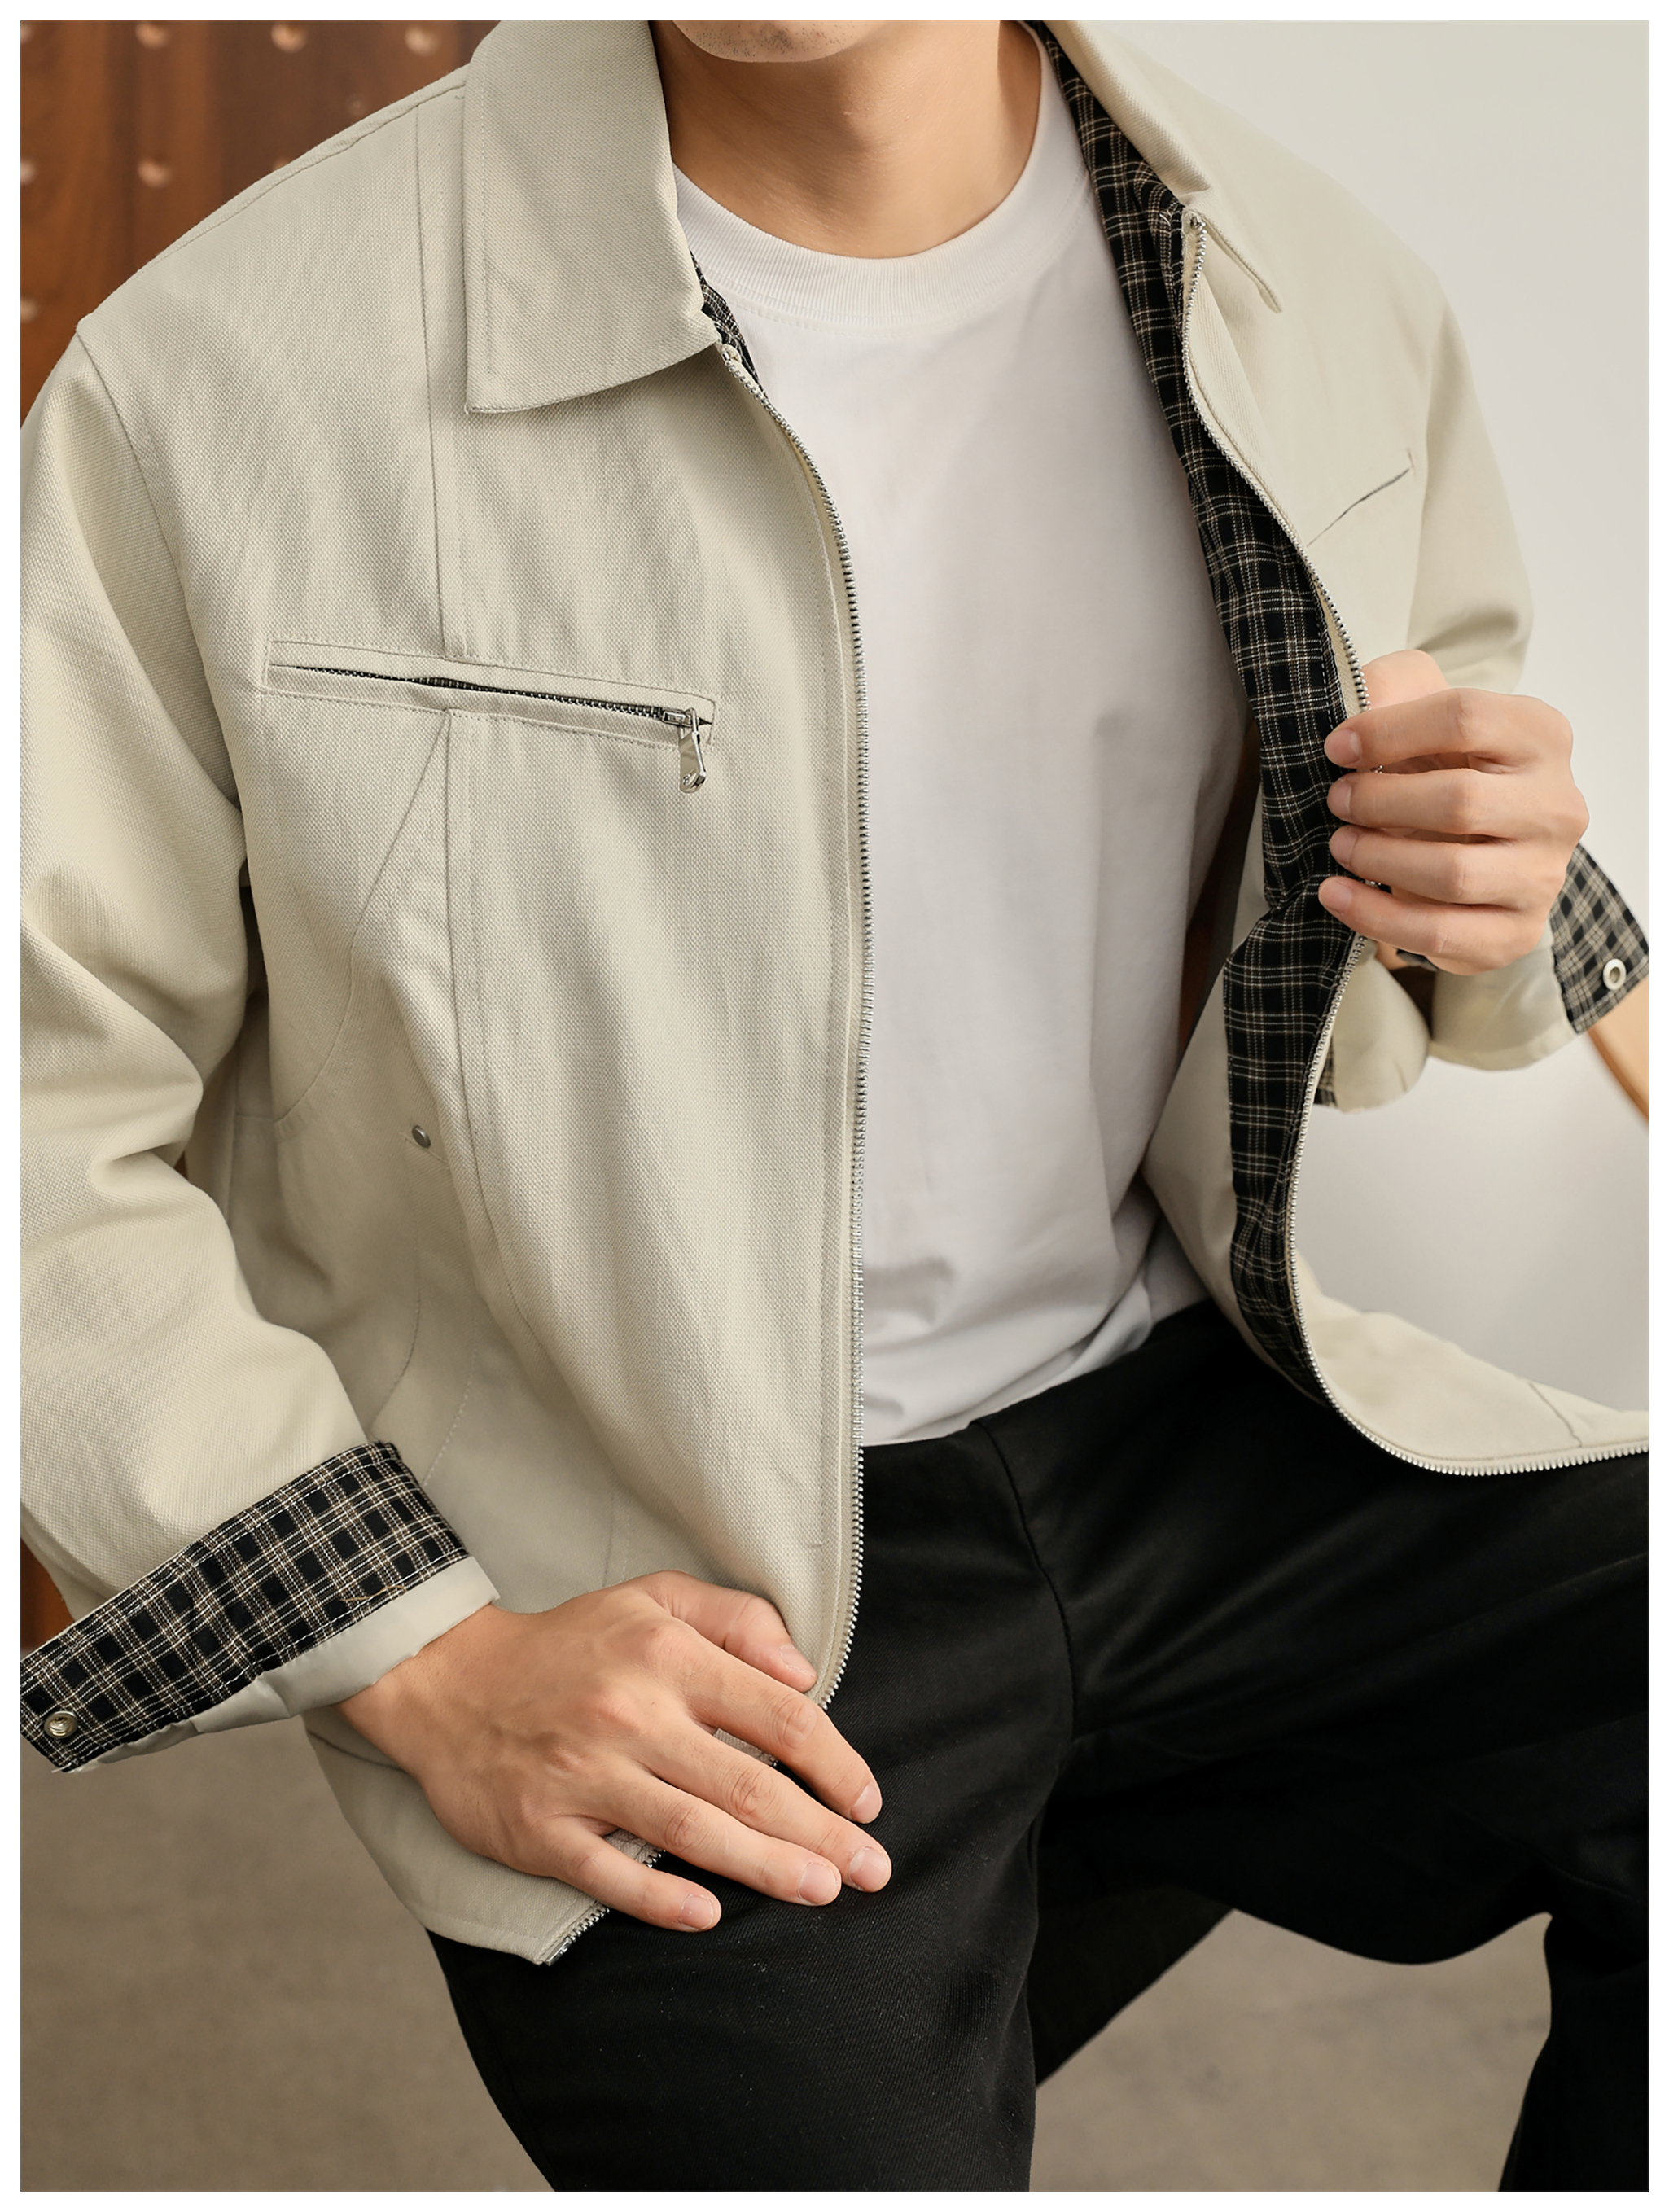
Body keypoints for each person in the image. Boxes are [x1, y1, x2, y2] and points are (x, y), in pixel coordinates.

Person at [20, 18, 1645, 2192]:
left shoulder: (1307, 283)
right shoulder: (219, 378)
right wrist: (421, 1657)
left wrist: (1490, 893)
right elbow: (35, 1098)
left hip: (1192, 1411)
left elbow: (1422, 751)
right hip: (664, 1572)